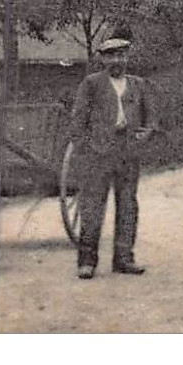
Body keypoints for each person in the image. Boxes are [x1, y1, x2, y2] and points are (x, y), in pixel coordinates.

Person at [68, 37, 159, 279]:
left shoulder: (138, 84)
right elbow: (78, 121)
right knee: (92, 208)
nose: (116, 60)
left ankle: (124, 258)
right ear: (102, 59)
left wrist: (146, 133)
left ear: (128, 57)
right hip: (98, 154)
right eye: (110, 56)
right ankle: (87, 261)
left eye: (121, 55)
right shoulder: (92, 84)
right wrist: (83, 151)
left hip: (128, 152)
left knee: (128, 205)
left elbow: (151, 117)